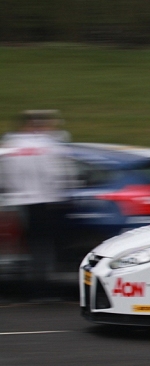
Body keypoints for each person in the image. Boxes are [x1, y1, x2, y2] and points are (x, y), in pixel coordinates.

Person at [0, 110, 73, 281]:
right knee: (43, 244)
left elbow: (4, 174)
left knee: (24, 244)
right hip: (45, 201)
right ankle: (42, 283)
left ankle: (26, 281)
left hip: (17, 200)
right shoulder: (49, 145)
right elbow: (59, 173)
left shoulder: (11, 144)